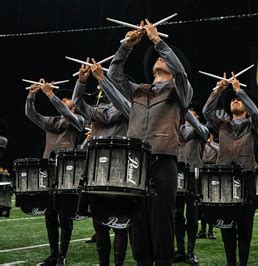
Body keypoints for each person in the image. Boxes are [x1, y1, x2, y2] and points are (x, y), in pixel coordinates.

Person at [107, 19, 193, 265]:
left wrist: (158, 41)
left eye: (164, 58)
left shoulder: (180, 91)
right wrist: (126, 46)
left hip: (163, 162)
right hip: (136, 163)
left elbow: (180, 72)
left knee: (161, 225)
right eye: (157, 57)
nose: (159, 58)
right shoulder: (139, 90)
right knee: (138, 226)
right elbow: (114, 75)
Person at [72, 59, 131, 265]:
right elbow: (78, 103)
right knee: (99, 224)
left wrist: (103, 79)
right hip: (97, 169)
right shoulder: (98, 110)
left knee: (121, 223)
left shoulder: (128, 107)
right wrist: (81, 81)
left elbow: (122, 104)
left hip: (121, 169)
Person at [203, 72, 258, 266]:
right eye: (233, 100)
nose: (235, 101)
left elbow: (255, 112)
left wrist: (239, 90)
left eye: (239, 100)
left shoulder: (253, 124)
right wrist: (218, 90)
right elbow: (206, 112)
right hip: (225, 178)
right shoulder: (221, 125)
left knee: (245, 227)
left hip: (247, 178)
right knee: (226, 225)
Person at [25, 79, 86, 265]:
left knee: (65, 214)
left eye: (67, 99)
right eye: (63, 98)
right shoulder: (52, 121)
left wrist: (51, 95)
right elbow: (31, 115)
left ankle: (62, 255)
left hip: (67, 171)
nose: (65, 99)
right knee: (50, 213)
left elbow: (66, 112)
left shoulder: (78, 120)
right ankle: (53, 254)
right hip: (49, 169)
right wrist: (31, 96)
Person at [174, 105, 209, 264]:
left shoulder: (200, 130)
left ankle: (191, 251)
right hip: (176, 174)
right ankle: (180, 250)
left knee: (192, 216)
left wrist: (186, 113)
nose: (189, 119)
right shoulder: (175, 128)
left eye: (193, 116)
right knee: (176, 214)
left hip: (193, 175)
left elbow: (201, 129)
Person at [197, 130, 218, 240]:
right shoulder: (201, 145)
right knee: (201, 202)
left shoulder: (216, 145)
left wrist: (210, 143)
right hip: (202, 173)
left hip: (213, 174)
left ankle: (210, 230)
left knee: (211, 203)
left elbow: (220, 151)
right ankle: (202, 230)